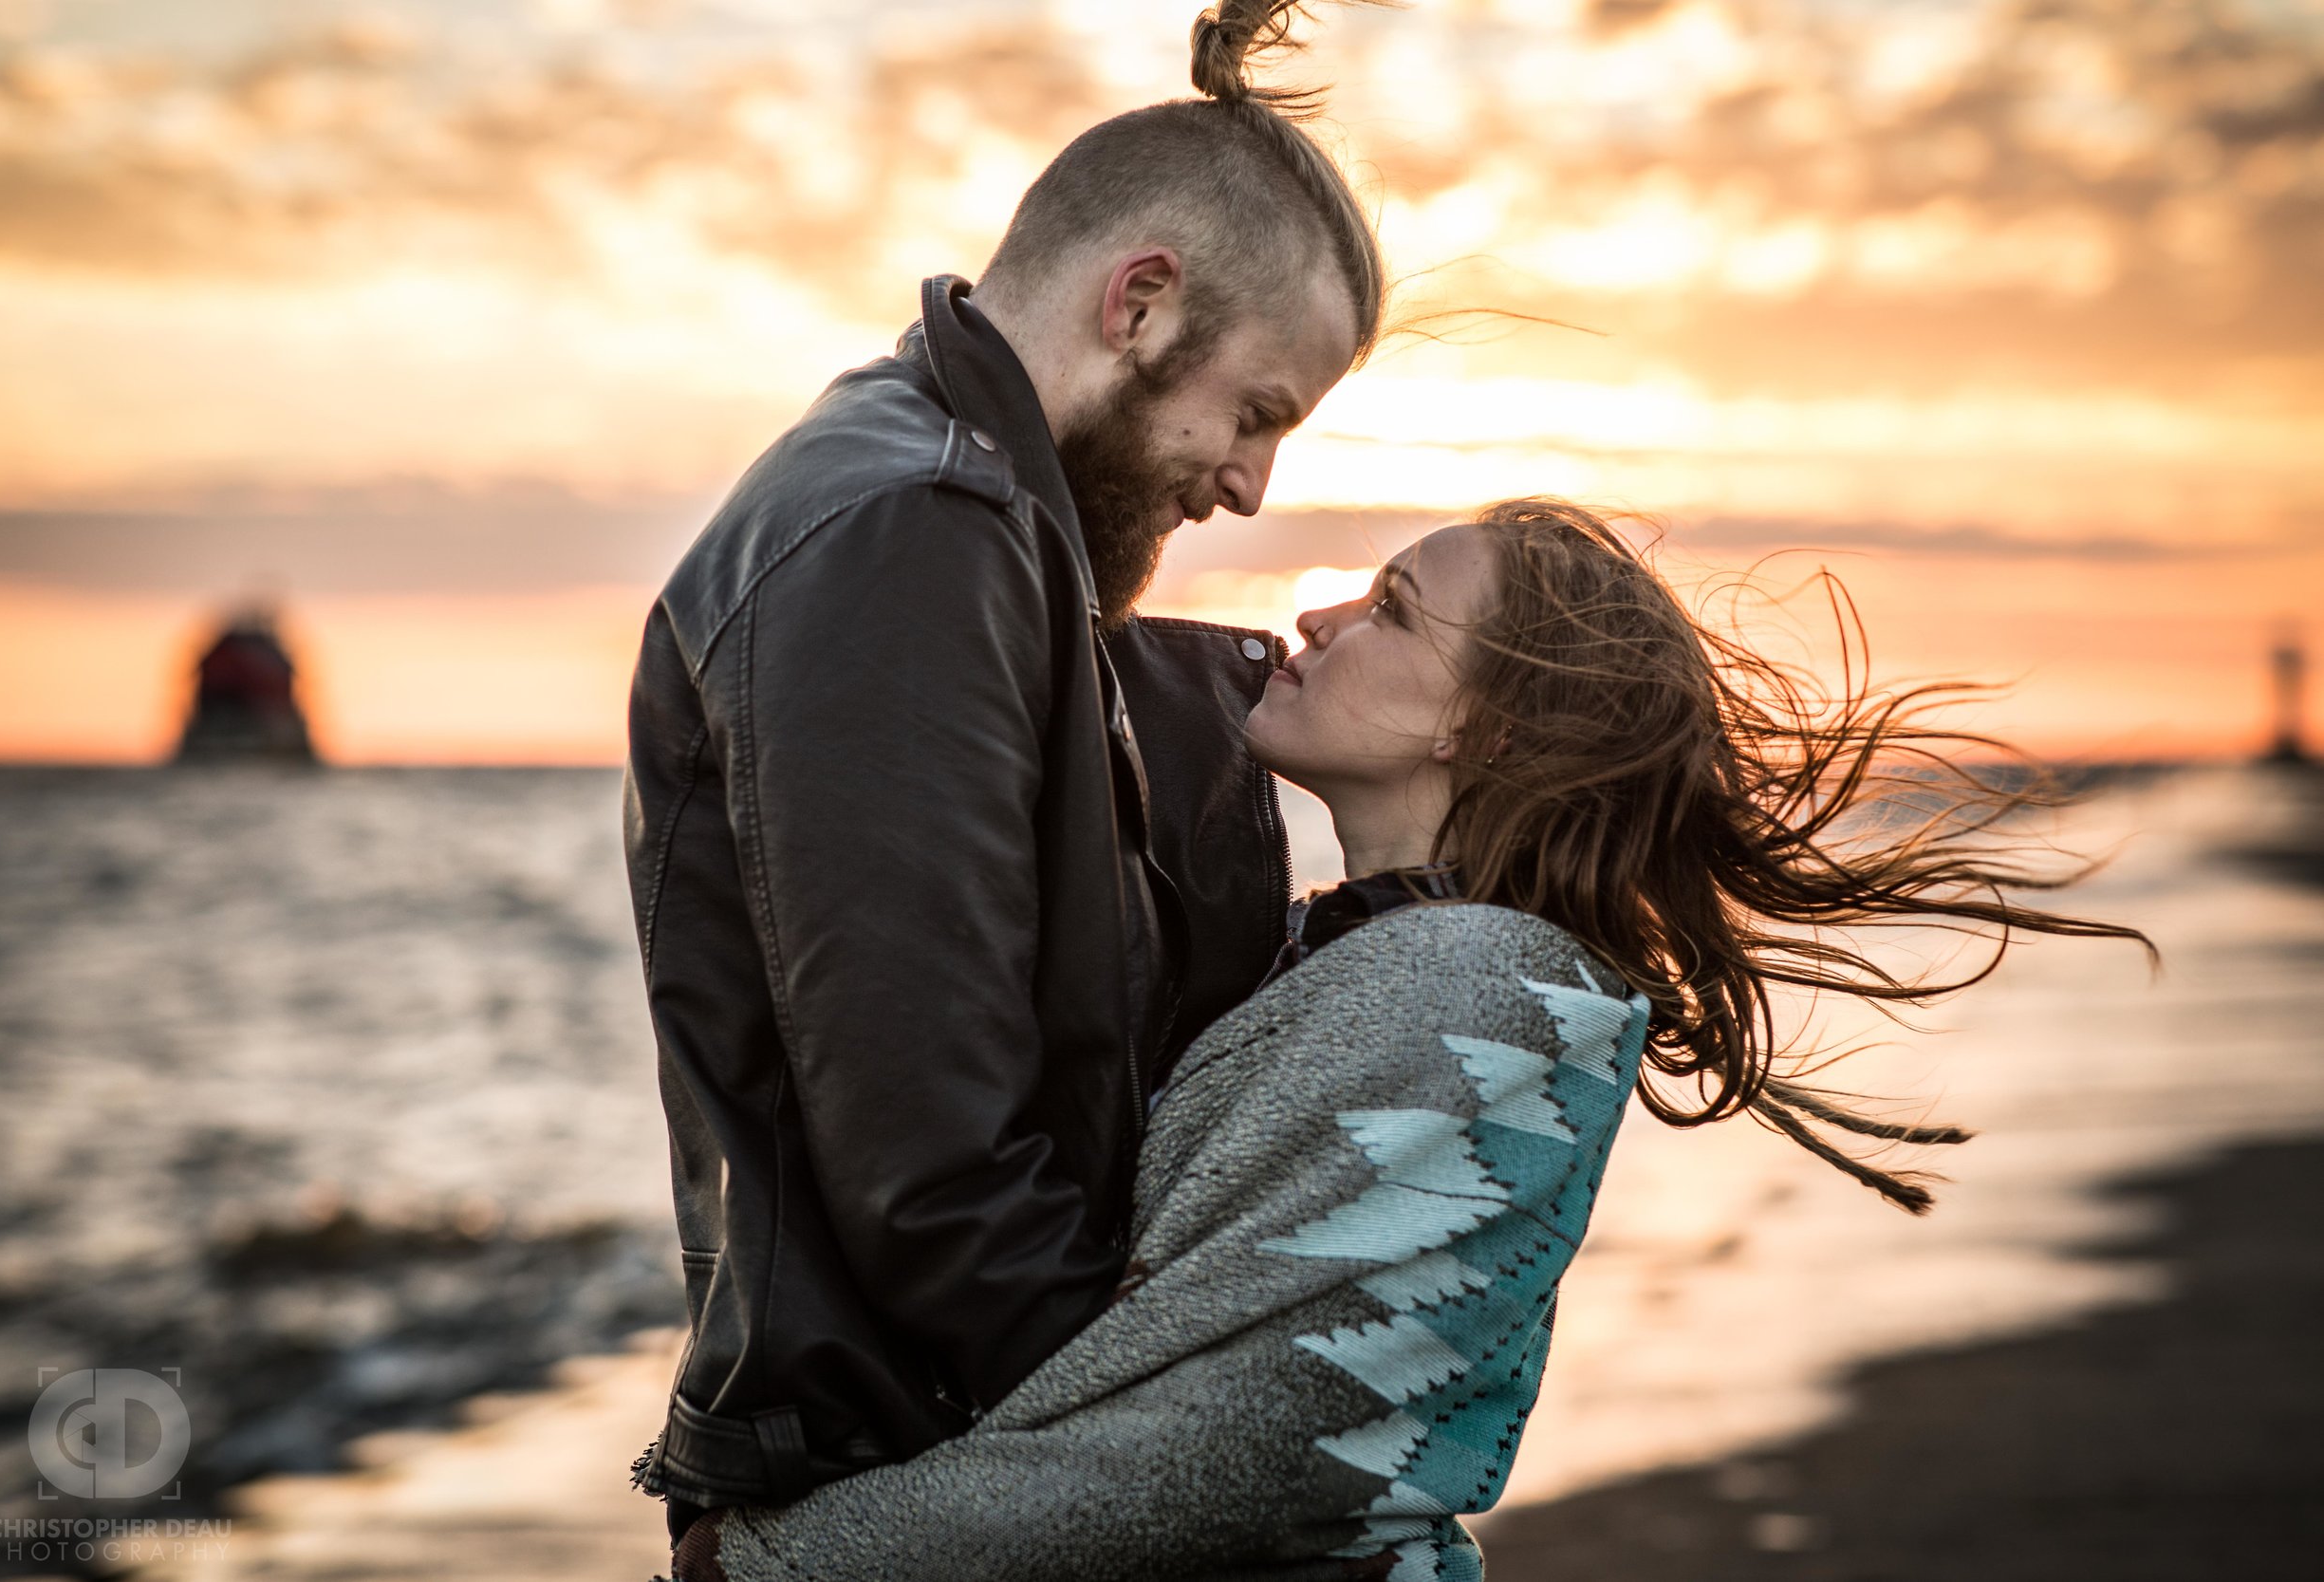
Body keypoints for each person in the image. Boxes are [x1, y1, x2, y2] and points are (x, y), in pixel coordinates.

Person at [664, 500, 2151, 1581]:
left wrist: (786, 1562)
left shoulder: (1475, 993)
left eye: (1388, 607)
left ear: (1485, 734)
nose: (1313, 617)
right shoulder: (1383, 959)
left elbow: (1229, 1449)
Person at [620, 0, 1385, 1554]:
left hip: (934, 1459)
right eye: (1256, 414)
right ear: (1142, 302)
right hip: (893, 1494)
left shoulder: (962, 515)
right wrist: (1169, 1464)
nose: (1250, 484)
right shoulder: (912, 530)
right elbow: (935, 1165)